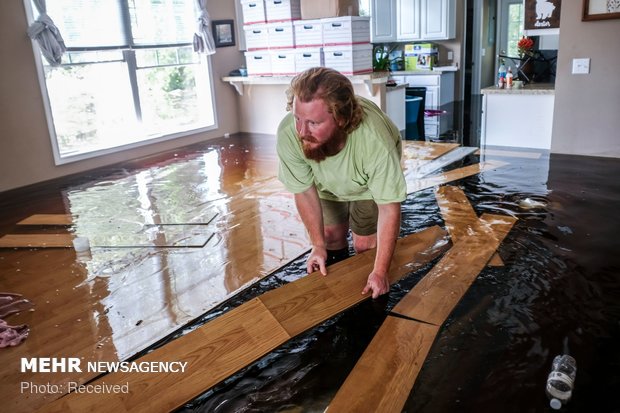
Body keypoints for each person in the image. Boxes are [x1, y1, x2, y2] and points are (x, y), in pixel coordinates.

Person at [276, 67, 406, 299]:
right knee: (329, 237)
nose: (301, 131)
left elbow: (388, 206)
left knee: (365, 244)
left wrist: (380, 271)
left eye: (314, 123)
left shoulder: (374, 141)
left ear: (341, 119)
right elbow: (304, 191)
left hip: (366, 185)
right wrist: (317, 245)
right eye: (297, 118)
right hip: (326, 180)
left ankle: (367, 286)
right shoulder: (289, 133)